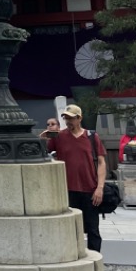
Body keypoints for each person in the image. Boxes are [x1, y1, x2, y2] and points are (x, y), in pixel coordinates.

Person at [46, 104, 107, 252]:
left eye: (71, 118)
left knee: (93, 229)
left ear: (79, 118)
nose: (68, 121)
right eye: (66, 118)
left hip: (90, 189)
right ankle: (73, 258)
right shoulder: (60, 136)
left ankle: (94, 262)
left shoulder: (92, 137)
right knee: (70, 228)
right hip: (67, 190)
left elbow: (101, 162)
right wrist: (43, 137)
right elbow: (40, 152)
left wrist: (100, 187)